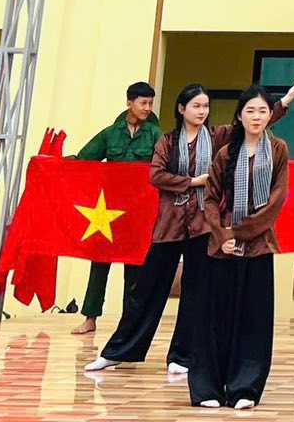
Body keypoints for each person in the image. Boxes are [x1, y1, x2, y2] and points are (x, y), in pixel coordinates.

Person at [89, 84, 216, 377]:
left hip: (202, 225)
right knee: (146, 290)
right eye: (196, 106)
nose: (202, 111)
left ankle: (182, 356)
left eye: (206, 106)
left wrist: (282, 103)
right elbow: (156, 175)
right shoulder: (167, 140)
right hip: (170, 224)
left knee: (196, 292)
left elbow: (251, 124)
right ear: (182, 109)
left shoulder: (216, 138)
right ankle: (117, 352)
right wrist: (192, 182)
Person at [193, 88, 290, 410]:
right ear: (239, 115)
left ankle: (244, 388)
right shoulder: (225, 154)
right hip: (223, 246)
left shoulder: (277, 150)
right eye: (250, 111)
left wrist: (240, 231)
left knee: (254, 321)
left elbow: (276, 200)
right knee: (215, 319)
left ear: (270, 115)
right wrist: (222, 234)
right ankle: (208, 388)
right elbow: (210, 198)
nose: (256, 117)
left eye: (262, 111)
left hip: (258, 245)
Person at [73, 81, 159, 336]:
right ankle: (90, 318)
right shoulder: (110, 134)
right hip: (106, 211)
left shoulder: (155, 134)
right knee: (99, 264)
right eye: (143, 103)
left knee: (135, 269)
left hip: (138, 212)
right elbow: (83, 159)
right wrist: (55, 164)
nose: (147, 108)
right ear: (129, 102)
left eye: (150, 103)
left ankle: (128, 323)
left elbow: (165, 166)